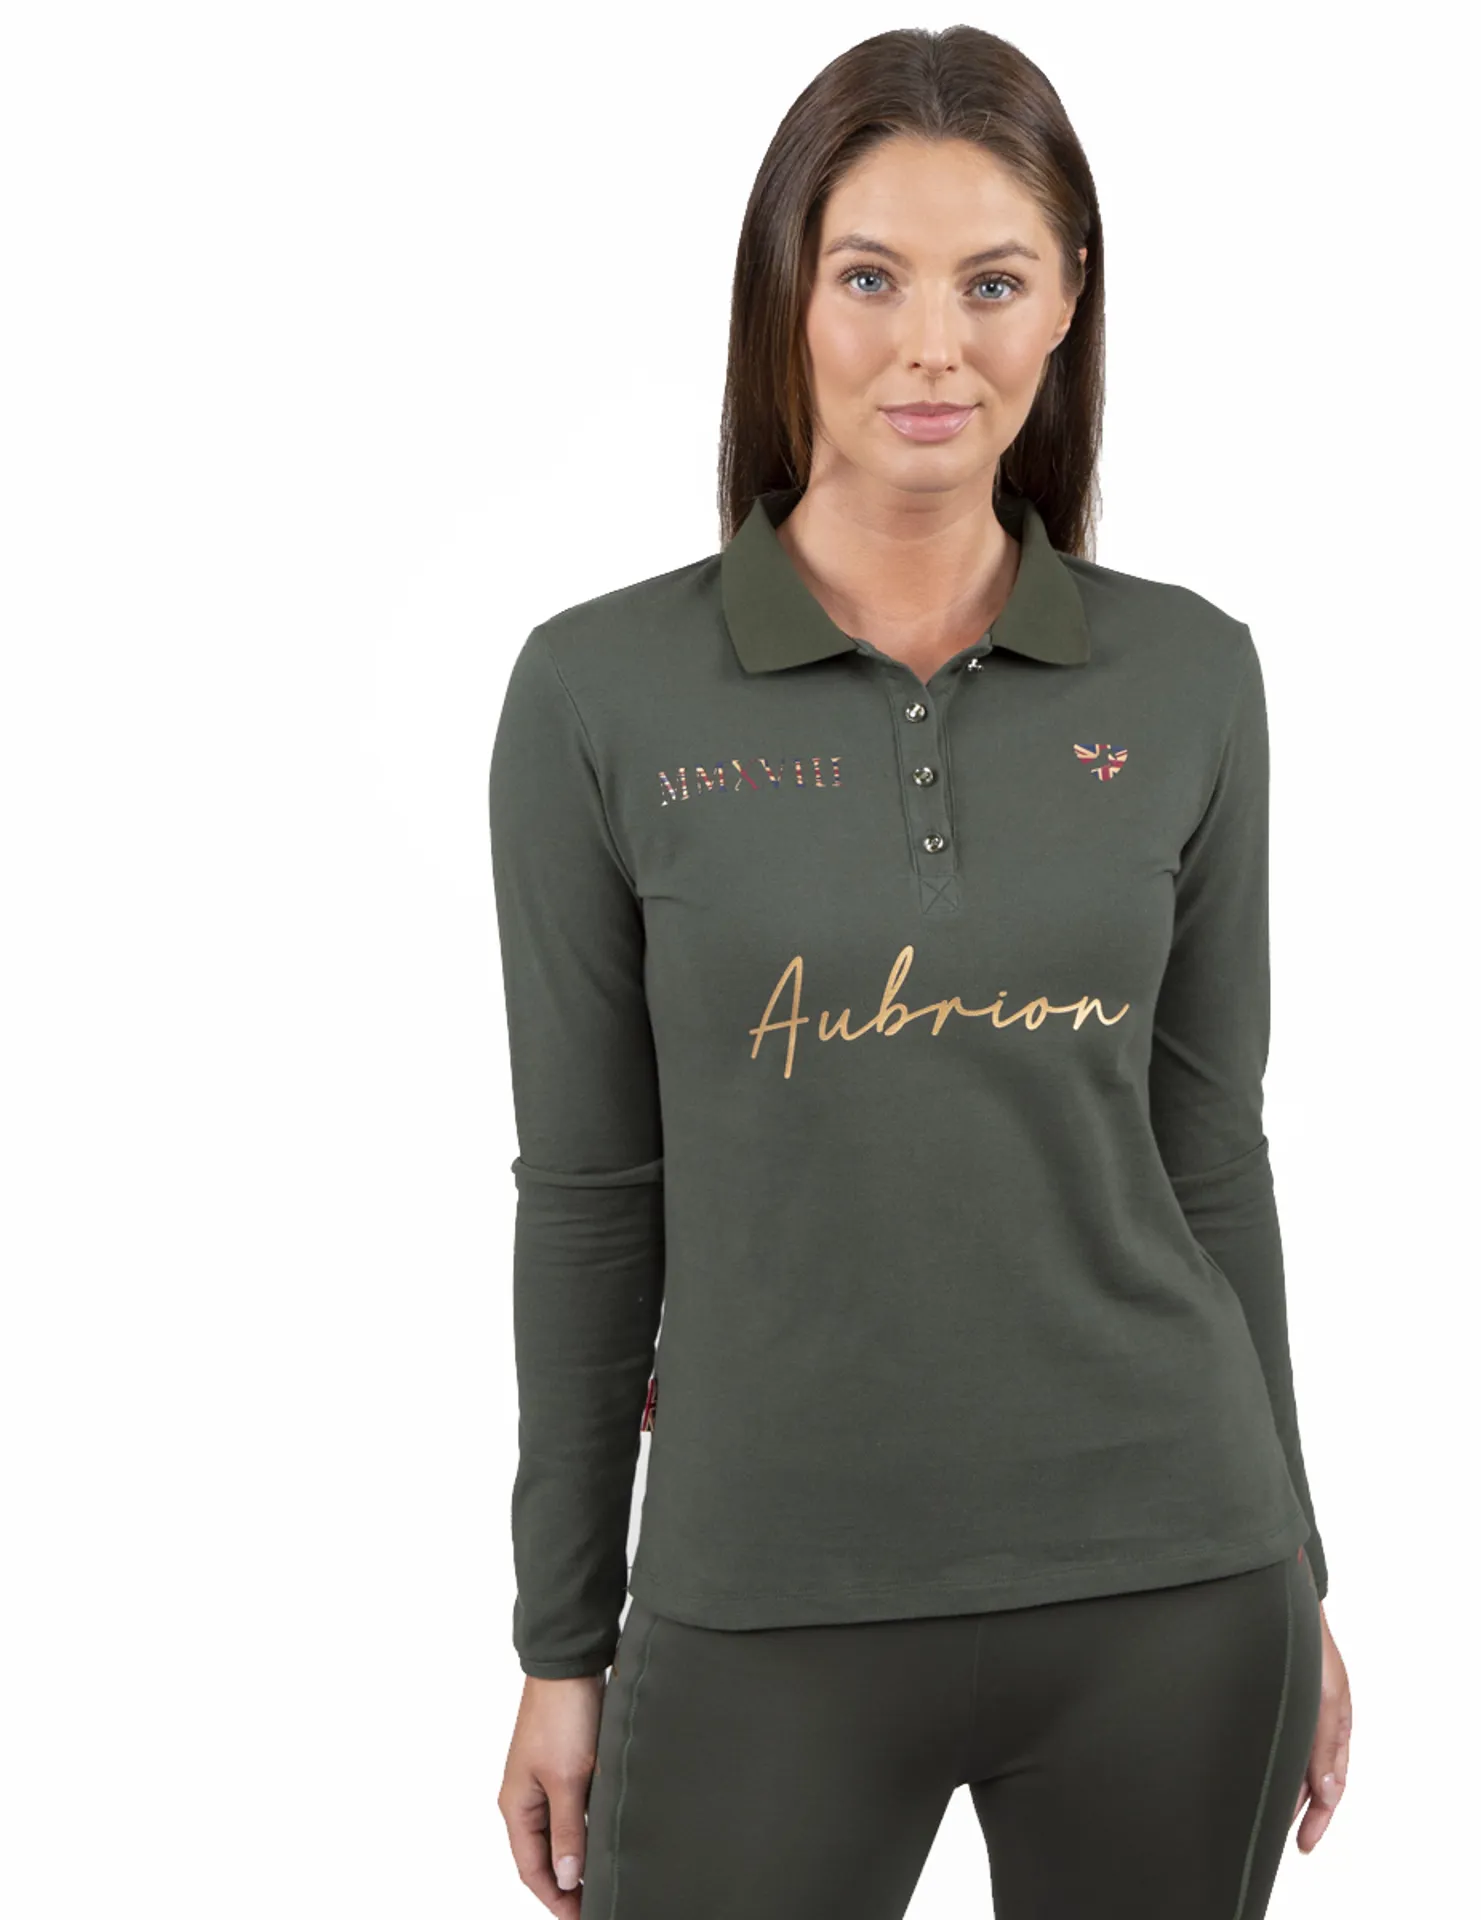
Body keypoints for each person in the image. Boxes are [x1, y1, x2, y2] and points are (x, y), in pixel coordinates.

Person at [489, 25, 1352, 1919]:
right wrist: (562, 1641)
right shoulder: (598, 695)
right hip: (759, 1603)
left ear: (1069, 303)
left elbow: (1213, 1155)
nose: (932, 347)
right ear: (786, 294)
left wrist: (1301, 1565)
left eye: (994, 282)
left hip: (1174, 1585)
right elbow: (591, 1191)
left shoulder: (1191, 677)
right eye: (871, 278)